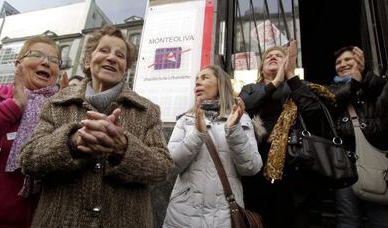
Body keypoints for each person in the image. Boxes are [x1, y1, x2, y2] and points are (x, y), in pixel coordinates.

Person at [18, 25, 174, 228]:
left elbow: (162, 168)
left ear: (125, 67)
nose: (112, 58)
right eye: (104, 50)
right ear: (87, 60)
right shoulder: (56, 103)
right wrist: (72, 142)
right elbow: (28, 159)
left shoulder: (147, 110)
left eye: (120, 55)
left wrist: (124, 149)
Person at [238, 41, 331, 228]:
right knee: (258, 214)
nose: (272, 57)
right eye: (268, 57)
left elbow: (313, 111)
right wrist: (275, 83)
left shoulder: (297, 86)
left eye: (279, 56)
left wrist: (289, 76)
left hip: (293, 161)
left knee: (288, 216)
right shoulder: (249, 88)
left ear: (287, 63)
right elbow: (244, 107)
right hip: (257, 160)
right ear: (262, 68)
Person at [0, 36, 61, 227]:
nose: (46, 62)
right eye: (37, 55)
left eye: (54, 60)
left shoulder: (60, 109)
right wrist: (14, 106)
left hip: (41, 221)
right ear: (18, 64)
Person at [163, 65, 262, 228]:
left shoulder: (240, 119)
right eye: (196, 80)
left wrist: (234, 130)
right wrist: (197, 135)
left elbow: (251, 167)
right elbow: (169, 166)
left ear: (221, 84)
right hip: (183, 216)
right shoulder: (185, 120)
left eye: (204, 77)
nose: (197, 83)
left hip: (226, 216)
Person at [329, 46, 388, 228]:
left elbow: (383, 94)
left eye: (348, 60)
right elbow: (334, 99)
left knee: (380, 218)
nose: (343, 64)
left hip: (374, 161)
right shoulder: (331, 88)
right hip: (345, 165)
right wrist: (354, 82)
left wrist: (365, 75)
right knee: (347, 219)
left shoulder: (372, 85)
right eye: (339, 62)